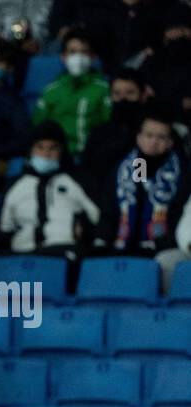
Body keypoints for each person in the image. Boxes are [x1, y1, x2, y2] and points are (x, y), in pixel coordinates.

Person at [97, 110, 190, 292]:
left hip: (160, 248)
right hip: (122, 246)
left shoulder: (182, 174)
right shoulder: (129, 168)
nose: (154, 142)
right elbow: (111, 210)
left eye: (161, 137)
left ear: (170, 142)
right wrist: (102, 240)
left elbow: (181, 218)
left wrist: (159, 243)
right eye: (149, 135)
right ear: (139, 137)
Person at [0, 121, 101, 262]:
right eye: (40, 147)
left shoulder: (78, 181)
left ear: (61, 151)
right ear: (31, 150)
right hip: (24, 253)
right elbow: (3, 230)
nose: (46, 154)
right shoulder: (14, 186)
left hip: (66, 252)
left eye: (53, 148)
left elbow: (101, 219)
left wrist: (85, 231)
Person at [32, 29, 110, 158]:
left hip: (94, 156)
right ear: (63, 57)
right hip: (59, 157)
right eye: (72, 52)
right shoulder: (51, 91)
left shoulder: (104, 89)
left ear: (92, 57)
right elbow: (39, 127)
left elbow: (108, 125)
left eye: (84, 52)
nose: (78, 57)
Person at [79, 68, 151, 197]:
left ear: (143, 95)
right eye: (117, 94)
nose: (123, 99)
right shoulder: (99, 133)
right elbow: (87, 172)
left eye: (130, 93)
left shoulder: (152, 134)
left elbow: (145, 176)